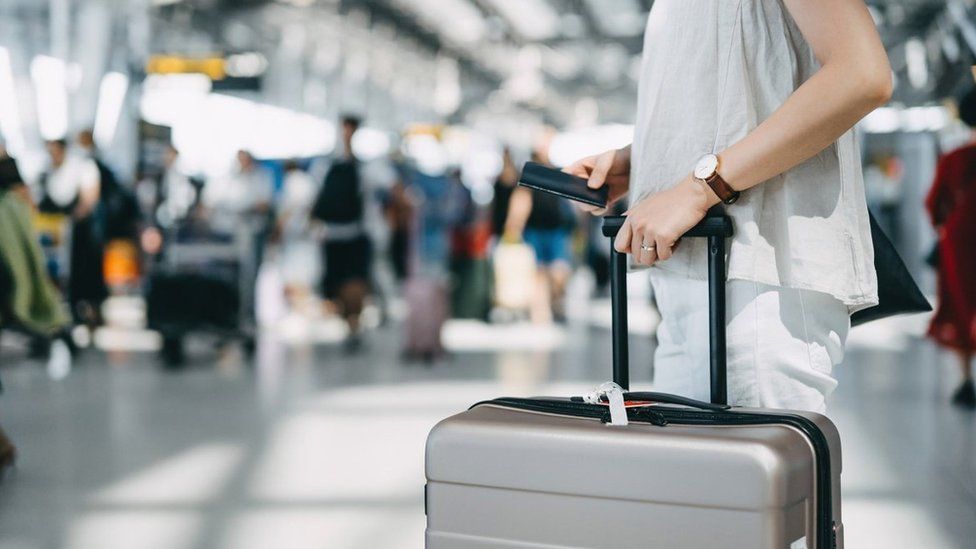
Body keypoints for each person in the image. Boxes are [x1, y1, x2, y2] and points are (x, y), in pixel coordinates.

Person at [565, 0, 891, 413]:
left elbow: (861, 73)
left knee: (747, 469)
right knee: (706, 470)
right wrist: (643, 158)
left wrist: (698, 188)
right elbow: (738, 90)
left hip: (755, 280)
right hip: (701, 278)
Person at [925, 88, 976, 409]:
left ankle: (965, 379)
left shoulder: (954, 158)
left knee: (962, 304)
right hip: (959, 238)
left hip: (959, 242)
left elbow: (933, 203)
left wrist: (944, 228)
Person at [311, 116, 373, 352]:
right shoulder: (330, 165)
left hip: (349, 235)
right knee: (342, 286)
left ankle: (353, 325)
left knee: (352, 284)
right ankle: (350, 324)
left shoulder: (357, 166)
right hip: (338, 235)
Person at [39, 138, 106, 329]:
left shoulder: (83, 166)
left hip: (82, 232)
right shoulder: (49, 171)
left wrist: (74, 218)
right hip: (58, 232)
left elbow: (89, 198)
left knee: (86, 274)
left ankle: (91, 313)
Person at [505, 149, 575, 324]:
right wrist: (514, 224)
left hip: (557, 229)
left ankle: (557, 302)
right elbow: (522, 198)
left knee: (559, 272)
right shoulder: (530, 174)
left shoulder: (558, 171)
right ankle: (541, 312)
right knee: (538, 273)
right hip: (535, 230)